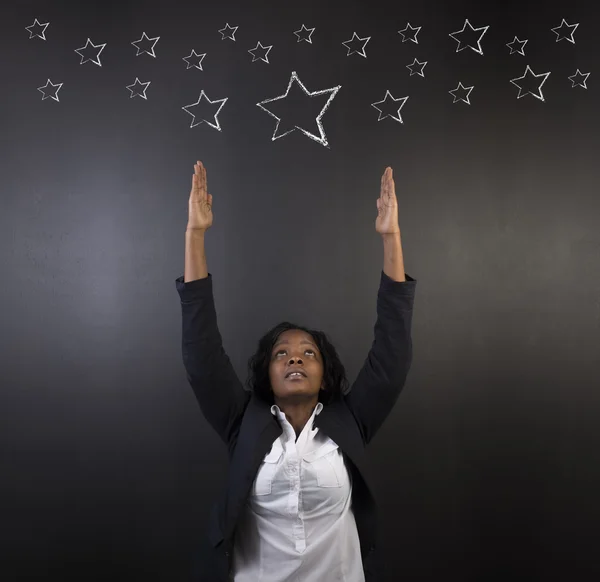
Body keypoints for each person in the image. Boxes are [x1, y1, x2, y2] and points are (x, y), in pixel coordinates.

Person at [176, 161, 417, 581]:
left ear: (325, 376)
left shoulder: (349, 421)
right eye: (281, 354)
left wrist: (391, 237)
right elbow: (202, 355)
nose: (295, 358)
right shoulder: (243, 423)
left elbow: (391, 355)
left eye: (308, 353)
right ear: (266, 376)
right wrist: (195, 235)